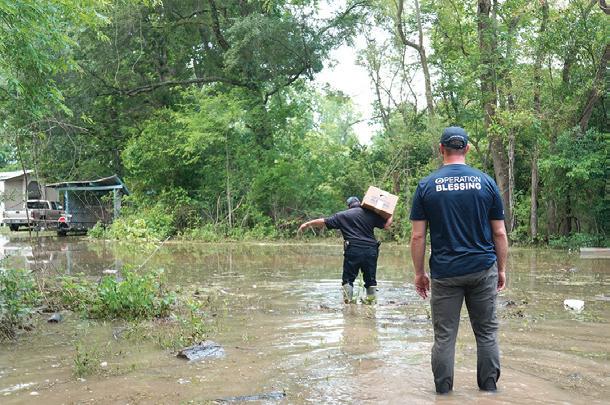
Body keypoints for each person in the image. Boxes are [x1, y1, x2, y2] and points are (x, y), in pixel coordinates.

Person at [409, 126, 508, 394]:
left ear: (441, 149)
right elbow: (499, 232)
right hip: (482, 268)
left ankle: (443, 393)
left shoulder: (426, 185)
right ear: (467, 149)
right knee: (486, 333)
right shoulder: (486, 182)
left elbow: (418, 236)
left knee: (444, 337)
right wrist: (501, 269)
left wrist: (419, 273)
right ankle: (489, 391)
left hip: (445, 272)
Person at [298, 196, 392, 303]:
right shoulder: (371, 213)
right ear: (360, 203)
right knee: (370, 280)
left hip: (353, 250)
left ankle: (348, 304)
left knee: (348, 279)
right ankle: (371, 304)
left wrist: (307, 224)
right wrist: (390, 214)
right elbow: (386, 225)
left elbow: (324, 221)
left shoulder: (342, 215)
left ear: (348, 206)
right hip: (371, 251)